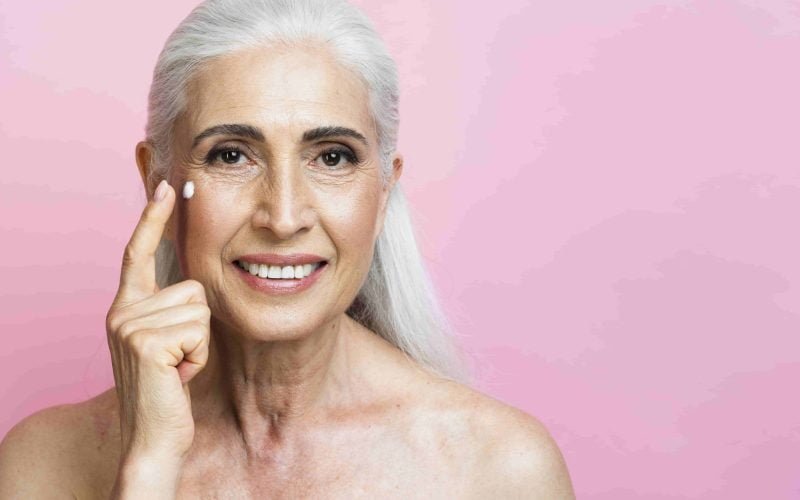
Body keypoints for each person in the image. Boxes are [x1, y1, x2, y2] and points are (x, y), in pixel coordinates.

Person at [0, 0, 574, 497]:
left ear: (383, 188)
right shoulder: (44, 463)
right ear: (159, 183)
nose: (283, 216)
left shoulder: (498, 468)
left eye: (331, 157)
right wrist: (149, 466)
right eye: (231, 155)